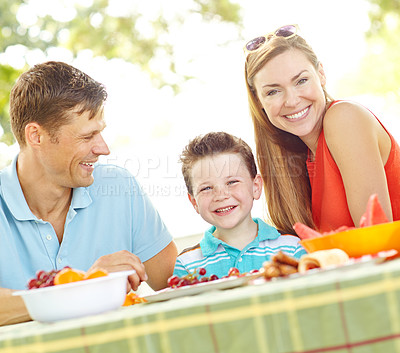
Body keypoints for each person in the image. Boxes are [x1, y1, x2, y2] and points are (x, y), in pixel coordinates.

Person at [0, 61, 178, 325]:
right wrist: (87, 287)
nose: (103, 149)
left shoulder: (119, 188)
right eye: (87, 137)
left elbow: (176, 283)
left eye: (100, 133)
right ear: (36, 136)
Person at [244, 24, 400, 235]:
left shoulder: (344, 118)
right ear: (258, 100)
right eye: (273, 91)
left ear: (321, 74)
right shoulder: (298, 158)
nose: (292, 101)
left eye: (301, 80)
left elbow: (377, 237)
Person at [173, 132, 306, 279]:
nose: (221, 195)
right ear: (194, 202)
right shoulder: (186, 265)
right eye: (206, 188)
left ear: (255, 187)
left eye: (232, 182)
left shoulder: (293, 247)